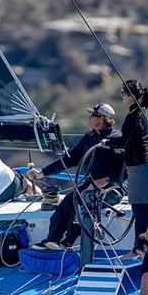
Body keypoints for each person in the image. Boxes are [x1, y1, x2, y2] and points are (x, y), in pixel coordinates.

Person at [29, 103, 123, 250]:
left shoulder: (118, 139)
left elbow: (125, 169)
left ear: (101, 119)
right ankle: (52, 240)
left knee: (79, 202)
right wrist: (43, 172)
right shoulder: (90, 137)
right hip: (89, 185)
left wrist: (106, 181)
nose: (89, 118)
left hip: (111, 190)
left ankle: (67, 242)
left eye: (92, 115)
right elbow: (71, 158)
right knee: (68, 200)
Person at [104, 79, 148, 240]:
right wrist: (120, 145)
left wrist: (107, 143)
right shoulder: (140, 111)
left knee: (139, 210)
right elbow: (131, 140)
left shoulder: (134, 116)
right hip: (143, 166)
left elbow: (125, 141)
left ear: (131, 96)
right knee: (147, 209)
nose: (121, 97)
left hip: (139, 169)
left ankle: (139, 248)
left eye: (123, 94)